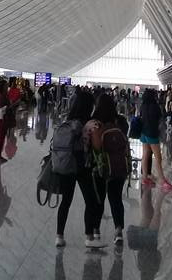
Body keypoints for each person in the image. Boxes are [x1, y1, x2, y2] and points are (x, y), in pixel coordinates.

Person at [53, 88, 103, 249]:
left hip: (66, 164)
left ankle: (59, 236)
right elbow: (96, 146)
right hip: (82, 166)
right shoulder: (89, 124)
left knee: (65, 202)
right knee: (91, 201)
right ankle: (89, 236)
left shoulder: (66, 122)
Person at [86, 93, 129, 245]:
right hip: (119, 166)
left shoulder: (95, 123)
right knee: (116, 198)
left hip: (101, 167)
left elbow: (94, 146)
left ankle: (96, 230)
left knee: (99, 198)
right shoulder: (120, 121)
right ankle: (118, 231)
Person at [139, 89, 172, 191]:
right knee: (158, 158)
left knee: (145, 155)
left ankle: (145, 178)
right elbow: (159, 118)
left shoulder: (143, 106)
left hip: (143, 133)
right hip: (152, 134)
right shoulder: (155, 107)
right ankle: (162, 181)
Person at [0, 78, 10, 164]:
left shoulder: (3, 94)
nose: (7, 87)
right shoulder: (0, 95)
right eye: (6, 86)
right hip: (1, 117)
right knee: (0, 137)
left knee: (2, 137)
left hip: (2, 116)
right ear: (3, 86)